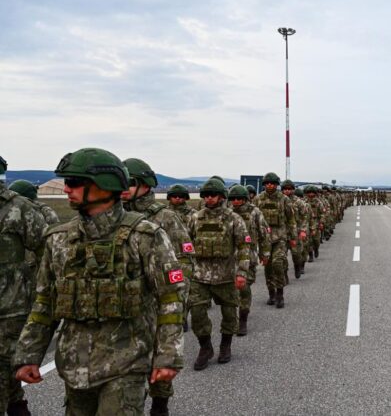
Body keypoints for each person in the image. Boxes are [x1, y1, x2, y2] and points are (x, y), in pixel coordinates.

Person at [13, 148, 186, 415]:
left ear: (103, 186)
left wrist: (167, 355)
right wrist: (28, 354)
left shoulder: (145, 236)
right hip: (74, 365)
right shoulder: (58, 239)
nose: (66, 189)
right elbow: (45, 302)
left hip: (128, 361)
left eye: (73, 182)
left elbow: (171, 298)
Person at [122, 158, 196, 416]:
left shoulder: (165, 216)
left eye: (130, 182)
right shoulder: (113, 215)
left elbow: (185, 257)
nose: (123, 187)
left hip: (155, 303)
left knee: (158, 358)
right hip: (122, 307)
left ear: (144, 185)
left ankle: (160, 404)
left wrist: (176, 295)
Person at [0, 157, 47, 416]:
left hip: (9, 311)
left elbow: (48, 255)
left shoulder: (19, 209)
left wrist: (42, 297)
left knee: (6, 370)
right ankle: (18, 407)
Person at [188, 178, 250, 370]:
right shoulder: (195, 218)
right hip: (200, 276)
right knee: (197, 313)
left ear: (221, 197)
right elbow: (186, 245)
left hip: (226, 275)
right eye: (206, 195)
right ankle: (205, 347)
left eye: (213, 195)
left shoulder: (233, 219)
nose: (209, 198)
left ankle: (226, 345)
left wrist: (242, 272)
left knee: (230, 313)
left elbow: (243, 246)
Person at [227, 185, 269, 336]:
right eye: (233, 199)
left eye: (239, 198)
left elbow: (264, 234)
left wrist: (265, 253)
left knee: (243, 288)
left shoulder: (255, 212)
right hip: (228, 258)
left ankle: (243, 319)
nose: (236, 201)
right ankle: (232, 319)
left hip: (248, 256)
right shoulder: (226, 212)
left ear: (245, 198)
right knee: (231, 292)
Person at [254, 173, 296, 309]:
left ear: (277, 185)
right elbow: (252, 218)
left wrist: (293, 237)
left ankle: (280, 293)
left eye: (272, 183)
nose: (270, 186)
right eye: (267, 183)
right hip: (264, 239)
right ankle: (271, 293)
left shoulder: (284, 199)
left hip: (280, 238)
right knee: (268, 267)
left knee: (278, 263)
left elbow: (291, 219)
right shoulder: (258, 199)